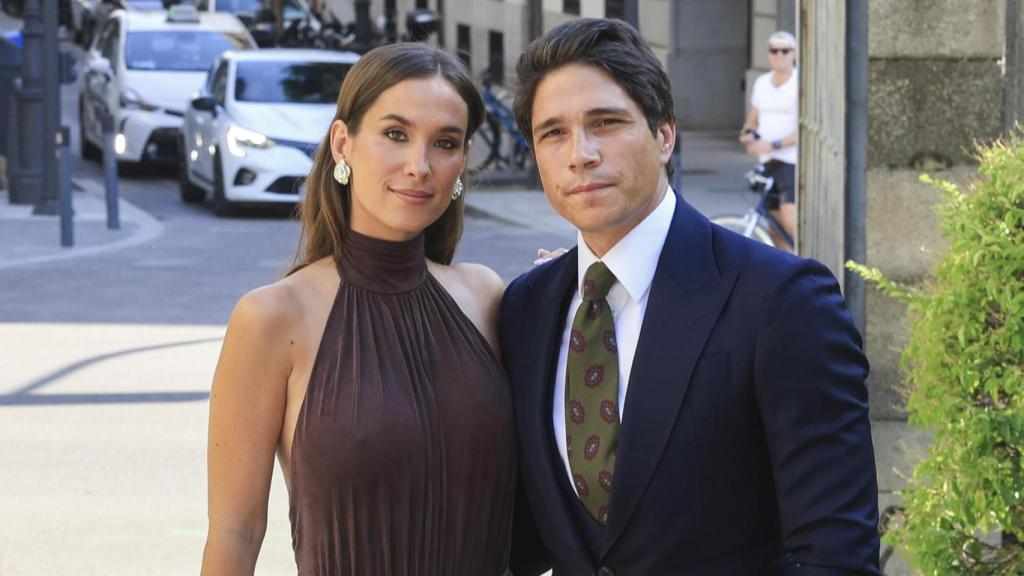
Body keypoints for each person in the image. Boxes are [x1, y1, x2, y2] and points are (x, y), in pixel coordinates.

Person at [502, 19, 880, 575]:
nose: (579, 154)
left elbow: (836, 554)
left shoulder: (783, 301)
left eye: (605, 123)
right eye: (552, 133)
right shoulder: (525, 309)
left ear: (664, 134)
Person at [201, 43, 515, 575]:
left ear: (462, 163)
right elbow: (236, 531)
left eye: (444, 143)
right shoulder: (273, 318)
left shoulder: (486, 297)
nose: (419, 166)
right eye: (396, 134)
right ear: (343, 143)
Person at [740, 30, 799, 251]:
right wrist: (748, 133)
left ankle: (813, 261)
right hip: (767, 161)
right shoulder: (762, 83)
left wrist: (773, 144)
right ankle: (790, 274)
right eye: (774, 50)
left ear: (794, 54)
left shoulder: (799, 84)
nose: (779, 55)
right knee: (774, 226)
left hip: (791, 160)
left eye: (785, 50)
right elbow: (753, 117)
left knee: (789, 218)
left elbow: (805, 128)